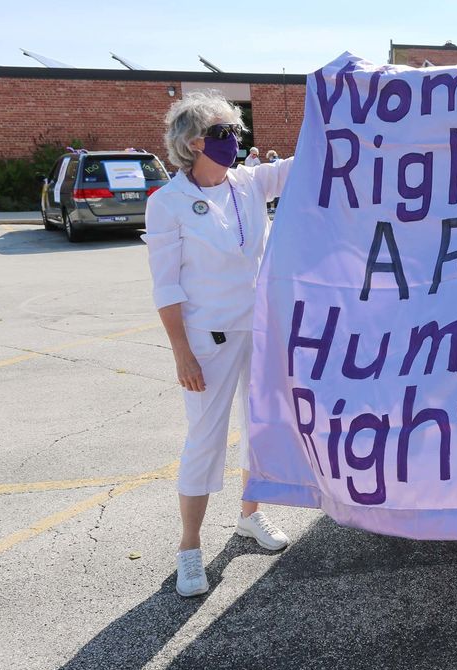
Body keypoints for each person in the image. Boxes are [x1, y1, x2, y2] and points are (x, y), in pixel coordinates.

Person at [142, 92, 294, 597]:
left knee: (260, 427)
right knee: (204, 441)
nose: (238, 139)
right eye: (227, 131)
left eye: (237, 131)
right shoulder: (167, 204)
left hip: (260, 330)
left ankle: (250, 517)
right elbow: (167, 287)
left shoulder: (248, 182)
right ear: (194, 143)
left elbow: (307, 163)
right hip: (207, 340)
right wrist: (181, 352)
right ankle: (189, 548)